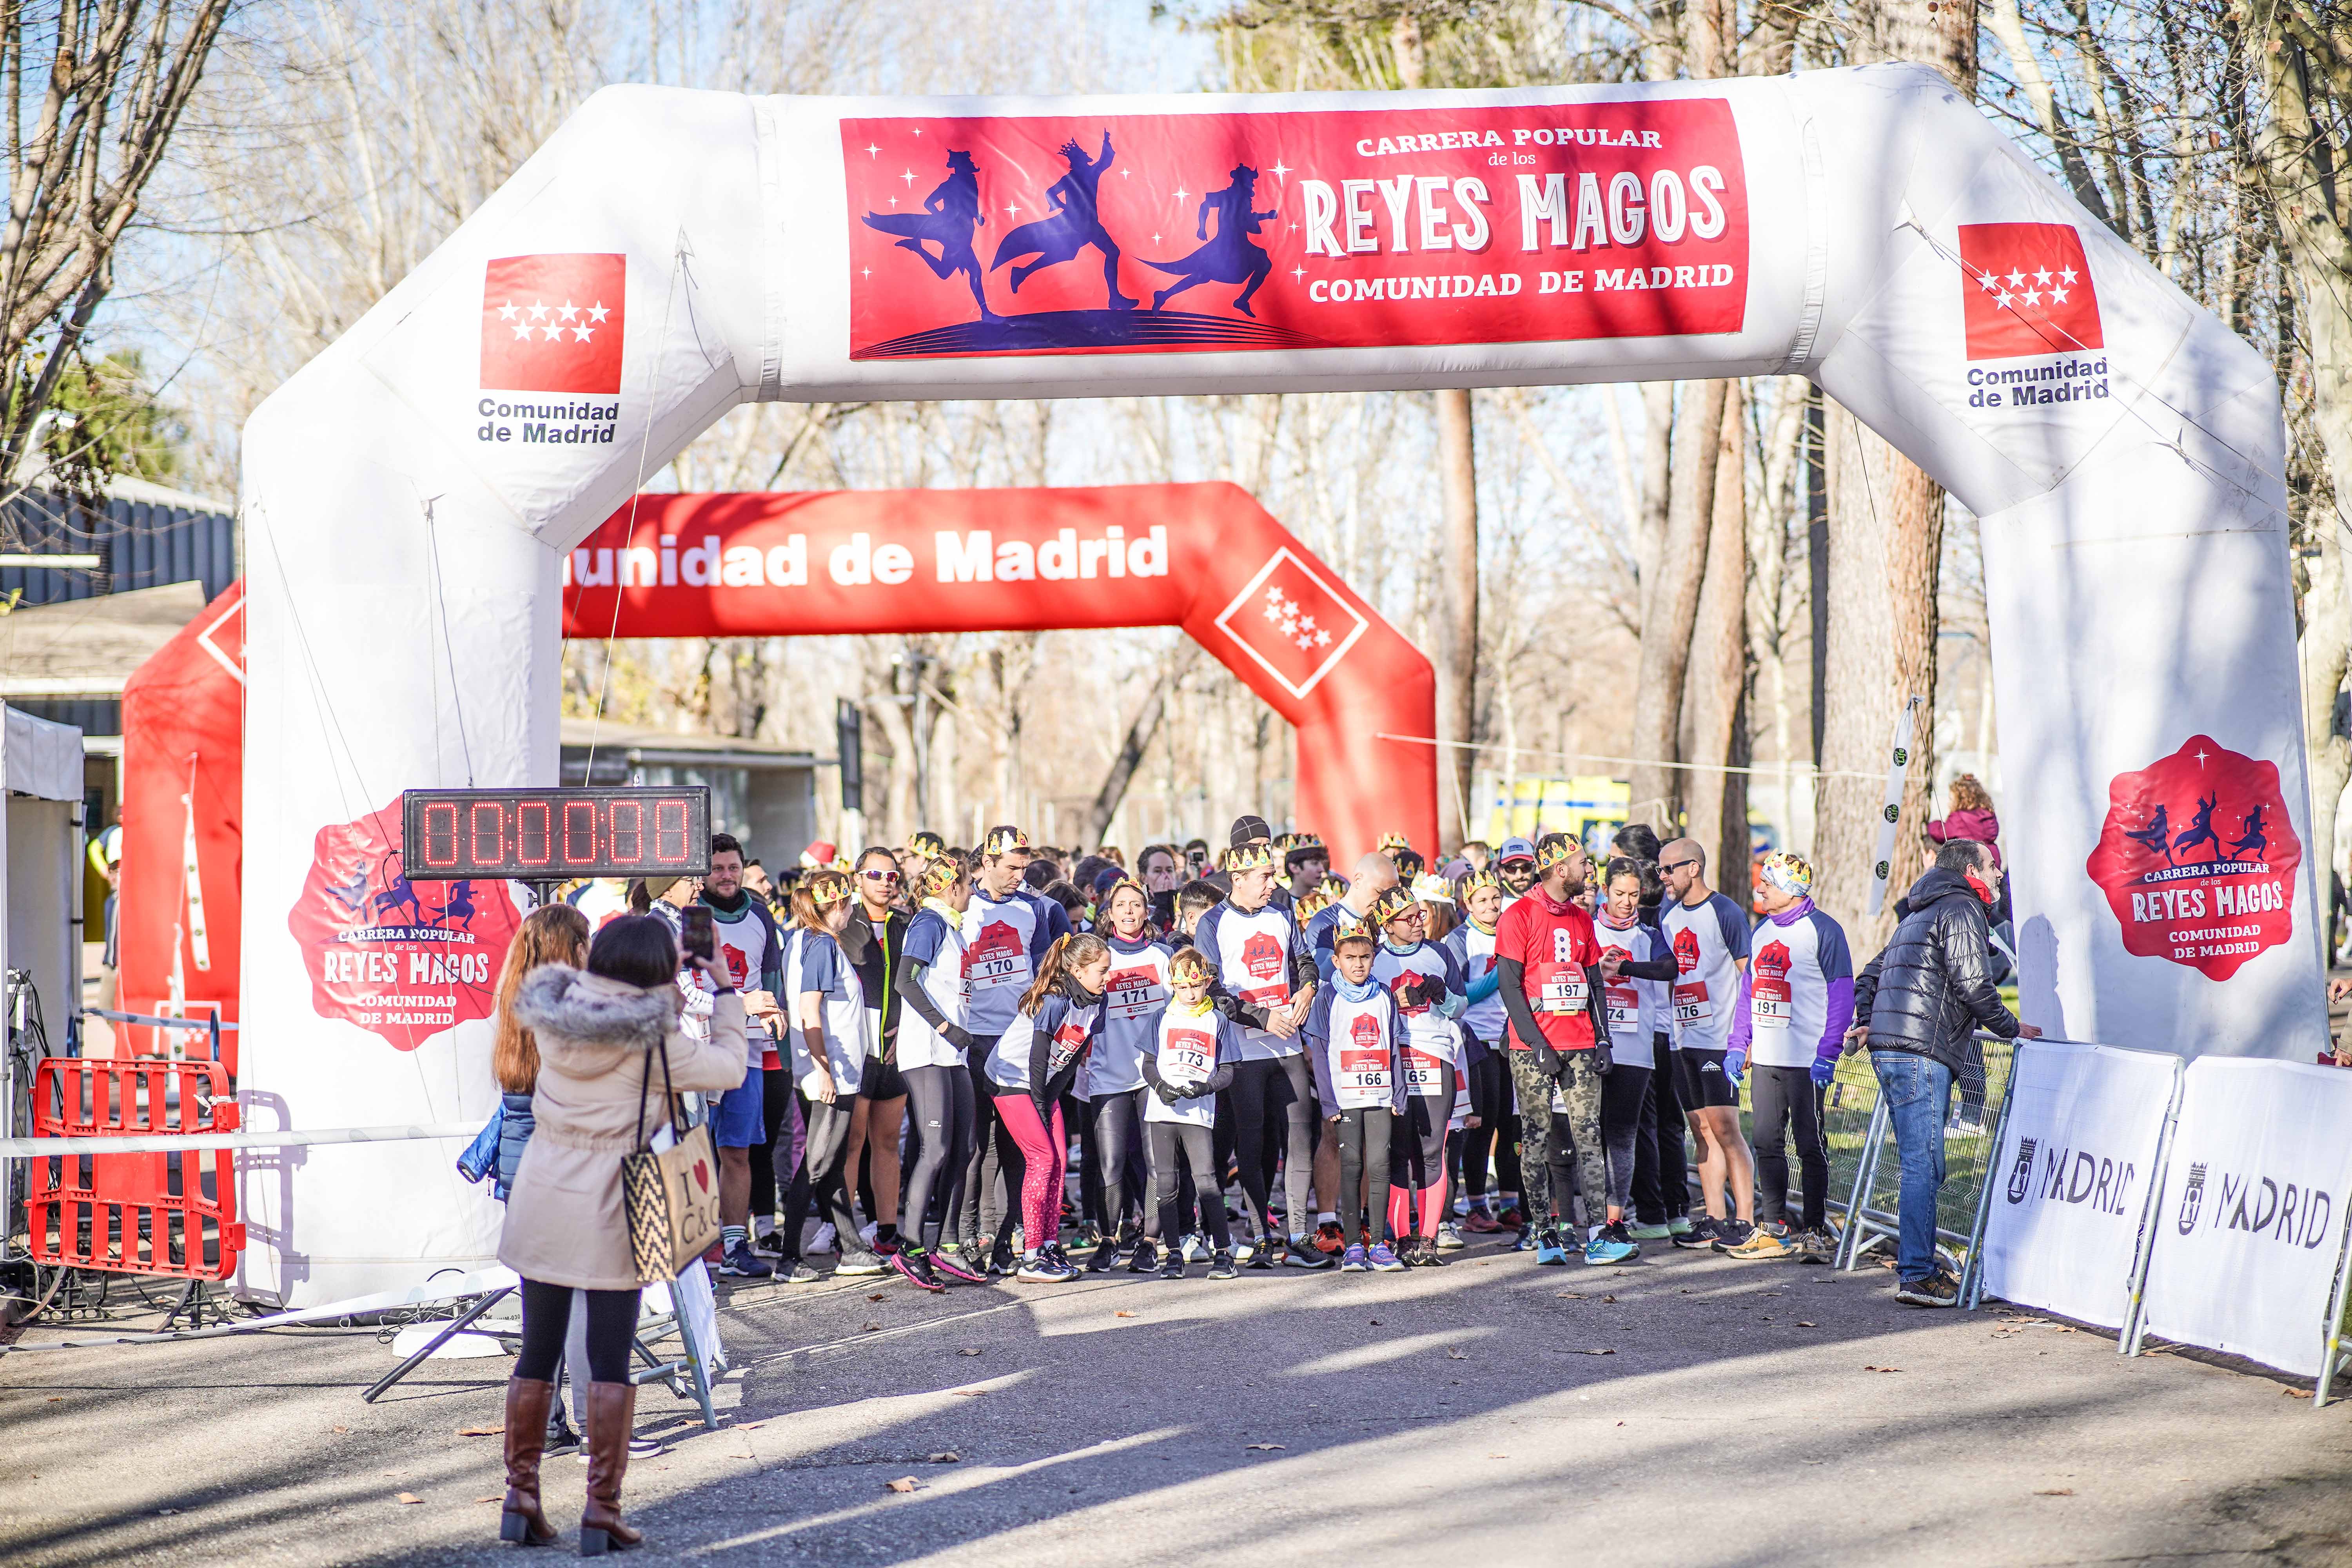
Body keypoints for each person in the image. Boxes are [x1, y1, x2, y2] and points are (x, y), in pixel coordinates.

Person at [497, 914, 746, 1552]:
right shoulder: (656, 1044)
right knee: (609, 1359)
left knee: (537, 1350)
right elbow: (729, 1069)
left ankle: (521, 1495)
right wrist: (721, 991)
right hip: (614, 1204)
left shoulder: (552, 1015)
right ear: (658, 971)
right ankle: (601, 1510)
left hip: (542, 1192)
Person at [1850, 838, 2036, 1307]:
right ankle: (1917, 1274)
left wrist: (1869, 1018)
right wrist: (2012, 1027)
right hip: (1920, 1053)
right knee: (1923, 1164)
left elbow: (1869, 976)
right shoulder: (1961, 907)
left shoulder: (1918, 911)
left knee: (1921, 1163)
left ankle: (1919, 1265)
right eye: (1993, 866)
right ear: (1972, 869)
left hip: (1893, 1050)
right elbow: (1974, 982)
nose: (1999, 875)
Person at [479, 904, 593, 1454]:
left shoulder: (514, 999)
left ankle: (543, 1429)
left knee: (541, 1308)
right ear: (566, 949)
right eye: (584, 942)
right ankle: (594, 1426)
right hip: (562, 1164)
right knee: (582, 1304)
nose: (590, 952)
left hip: (523, 1166)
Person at [1720, 851, 1853, 1263]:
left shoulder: (1823, 931)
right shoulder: (1761, 932)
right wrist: (1737, 1045)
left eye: (1768, 883)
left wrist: (1828, 1054)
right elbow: (1749, 995)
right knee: (1766, 1142)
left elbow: (1843, 996)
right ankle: (1774, 1229)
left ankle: (1815, 1229)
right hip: (1768, 1060)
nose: (1759, 888)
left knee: (1810, 1146)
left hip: (1807, 1061)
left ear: (1792, 890)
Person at [1493, 831, 1617, 1265]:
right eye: (1583, 862)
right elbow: (1510, 986)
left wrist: (1604, 1037)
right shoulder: (1519, 916)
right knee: (1536, 1136)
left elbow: (1595, 981)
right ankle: (1545, 1232)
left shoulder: (1582, 919)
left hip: (1582, 1042)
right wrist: (1536, 1043)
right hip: (1534, 1049)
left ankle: (1600, 1233)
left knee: (1589, 1136)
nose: (1590, 870)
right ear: (1560, 868)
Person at [1194, 841, 1319, 1267]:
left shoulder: (1283, 913)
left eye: (1273, 875)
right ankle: (1263, 1235)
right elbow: (1211, 991)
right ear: (1239, 879)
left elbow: (1306, 960)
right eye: (1265, 877)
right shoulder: (1213, 922)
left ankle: (1300, 1234)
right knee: (1252, 1141)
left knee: (1300, 1135)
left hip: (1287, 1045)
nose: (1273, 884)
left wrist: (1307, 988)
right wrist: (1261, 1017)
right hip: (1244, 1049)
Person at [957, 826, 1070, 1271]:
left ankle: (1006, 1240)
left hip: (1016, 1041)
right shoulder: (965, 906)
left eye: (1025, 868)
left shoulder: (1032, 907)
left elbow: (1045, 971)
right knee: (971, 1147)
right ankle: (964, 1239)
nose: (1020, 877)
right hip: (973, 1039)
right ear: (986, 863)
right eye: (1011, 868)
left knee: (1017, 1149)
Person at [985, 933, 1111, 1281]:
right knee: (1041, 1160)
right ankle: (1030, 1256)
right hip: (1011, 1080)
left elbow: (1070, 1061)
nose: (1107, 977)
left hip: (1043, 1084)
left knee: (1057, 1159)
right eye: (1101, 970)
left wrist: (1048, 1099)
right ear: (1076, 970)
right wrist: (1040, 1105)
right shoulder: (1055, 1001)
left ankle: (1049, 1245)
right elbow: (1037, 1059)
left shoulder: (1097, 1002)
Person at [779, 871, 882, 1278]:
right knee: (817, 1163)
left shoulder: (803, 939)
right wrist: (823, 1069)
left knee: (833, 1161)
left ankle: (852, 1248)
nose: (854, 909)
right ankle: (789, 1259)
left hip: (825, 1070)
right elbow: (809, 1010)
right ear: (838, 906)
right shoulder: (822, 944)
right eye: (851, 903)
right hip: (831, 1073)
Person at [889, 855, 985, 1290]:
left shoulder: (952, 927)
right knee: (936, 1149)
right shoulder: (928, 922)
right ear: (951, 888)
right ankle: (909, 1245)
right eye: (969, 885)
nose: (973, 892)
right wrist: (945, 1026)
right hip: (928, 1050)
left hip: (953, 1055)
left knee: (965, 1147)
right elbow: (905, 982)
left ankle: (946, 1244)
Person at [1659, 838, 1759, 1252]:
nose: (1662, 877)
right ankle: (1714, 1217)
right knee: (1700, 1130)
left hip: (1720, 1039)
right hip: (1684, 1037)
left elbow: (1749, 975)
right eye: (1660, 869)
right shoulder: (1668, 916)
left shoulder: (1725, 912)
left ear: (1694, 868)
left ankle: (1747, 1221)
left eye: (1668, 869)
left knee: (1726, 1128)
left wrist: (1747, 1037)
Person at [695, 837, 787, 1279]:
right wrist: (740, 1001)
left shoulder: (761, 916)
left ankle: (735, 1243)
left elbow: (771, 983)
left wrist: (774, 1017)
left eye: (733, 867)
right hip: (699, 1050)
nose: (727, 875)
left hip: (746, 1051)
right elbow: (685, 988)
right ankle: (698, 1247)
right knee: (697, 1151)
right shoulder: (690, 917)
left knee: (739, 1150)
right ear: (703, 872)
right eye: (718, 868)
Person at [1368, 884, 1466, 1267]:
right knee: (1397, 1152)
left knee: (1431, 1151)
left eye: (1420, 914)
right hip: (1393, 1059)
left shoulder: (1440, 953)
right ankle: (1402, 1239)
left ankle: (1428, 1239)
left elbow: (1461, 1007)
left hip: (1434, 1056)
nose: (1418, 923)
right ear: (1388, 925)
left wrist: (1442, 996)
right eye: (1408, 919)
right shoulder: (1374, 959)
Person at [1305, 929, 1407, 1272]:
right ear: (1337, 961)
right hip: (1345, 1096)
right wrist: (1329, 1103)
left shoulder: (1385, 995)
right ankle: (1352, 1247)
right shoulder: (1328, 996)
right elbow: (1319, 1053)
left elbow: (1394, 1046)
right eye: (1351, 958)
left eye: (1365, 958)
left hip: (1380, 1094)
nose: (1359, 964)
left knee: (1379, 1166)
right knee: (1351, 1167)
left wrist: (1399, 1092)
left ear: (1373, 959)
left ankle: (1377, 1243)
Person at [1086, 878, 1172, 1270]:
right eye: (1121, 905)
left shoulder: (1164, 956)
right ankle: (1108, 1240)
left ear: (1147, 911)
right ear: (1109, 913)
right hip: (1109, 1072)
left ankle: (1150, 1243)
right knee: (1111, 1162)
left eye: (1136, 904)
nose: (1128, 911)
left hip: (1153, 1074)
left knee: (1156, 1162)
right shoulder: (1097, 956)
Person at [1144, 945, 1243, 1279]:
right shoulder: (1162, 1016)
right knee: (1167, 1184)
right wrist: (1159, 1087)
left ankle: (1224, 1253)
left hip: (1198, 1113)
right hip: (1163, 1111)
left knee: (1206, 1182)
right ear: (1173, 985)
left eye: (1197, 985)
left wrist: (1206, 1087)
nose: (1190, 992)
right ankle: (1173, 1254)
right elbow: (1147, 1063)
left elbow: (1228, 1070)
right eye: (1183, 987)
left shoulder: (1216, 1019)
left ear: (1207, 982)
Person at [1590, 856, 1670, 1263]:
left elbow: (1668, 967)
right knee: (1585, 1133)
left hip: (1635, 1050)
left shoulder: (1648, 934)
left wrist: (1624, 967)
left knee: (1622, 1134)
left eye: (1634, 895)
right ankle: (1580, 1219)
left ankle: (1615, 1218)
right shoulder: (1588, 929)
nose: (1626, 902)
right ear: (1605, 891)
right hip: (1590, 1045)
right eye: (1619, 894)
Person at [1612, 824, 1689, 1242]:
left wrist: (1623, 968)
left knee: (1646, 1125)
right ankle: (1674, 1210)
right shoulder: (1669, 907)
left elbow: (1670, 966)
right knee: (1665, 1124)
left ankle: (1657, 1211)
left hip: (1653, 1032)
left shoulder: (1651, 918)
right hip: (1665, 1032)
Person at [843, 847, 912, 1262]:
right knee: (852, 1142)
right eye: (875, 874)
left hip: (895, 1049)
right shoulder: (843, 923)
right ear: (857, 880)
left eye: (892, 876)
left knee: (887, 1142)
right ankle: (846, 1234)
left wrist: (907, 1029)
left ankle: (887, 1230)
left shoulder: (906, 924)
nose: (885, 882)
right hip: (857, 1048)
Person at [1445, 867, 1519, 1240]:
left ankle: (1510, 1202)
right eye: (1483, 900)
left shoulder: (1511, 930)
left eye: (1496, 897)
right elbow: (1460, 996)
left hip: (1514, 1040)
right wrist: (1502, 974)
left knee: (1512, 1124)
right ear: (1467, 904)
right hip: (1478, 1042)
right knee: (1483, 1124)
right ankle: (1475, 1204)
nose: (1492, 906)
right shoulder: (1460, 940)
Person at [1280, 832, 1330, 902]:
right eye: (1315, 863)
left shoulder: (1326, 902)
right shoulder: (1280, 905)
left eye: (1322, 864)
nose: (1321, 869)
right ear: (1294, 868)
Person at [1494, 837, 1538, 906]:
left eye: (1526, 868)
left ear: (1536, 866)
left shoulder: (1551, 896)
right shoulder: (1494, 904)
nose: (1519, 876)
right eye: (1511, 869)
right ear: (1501, 871)